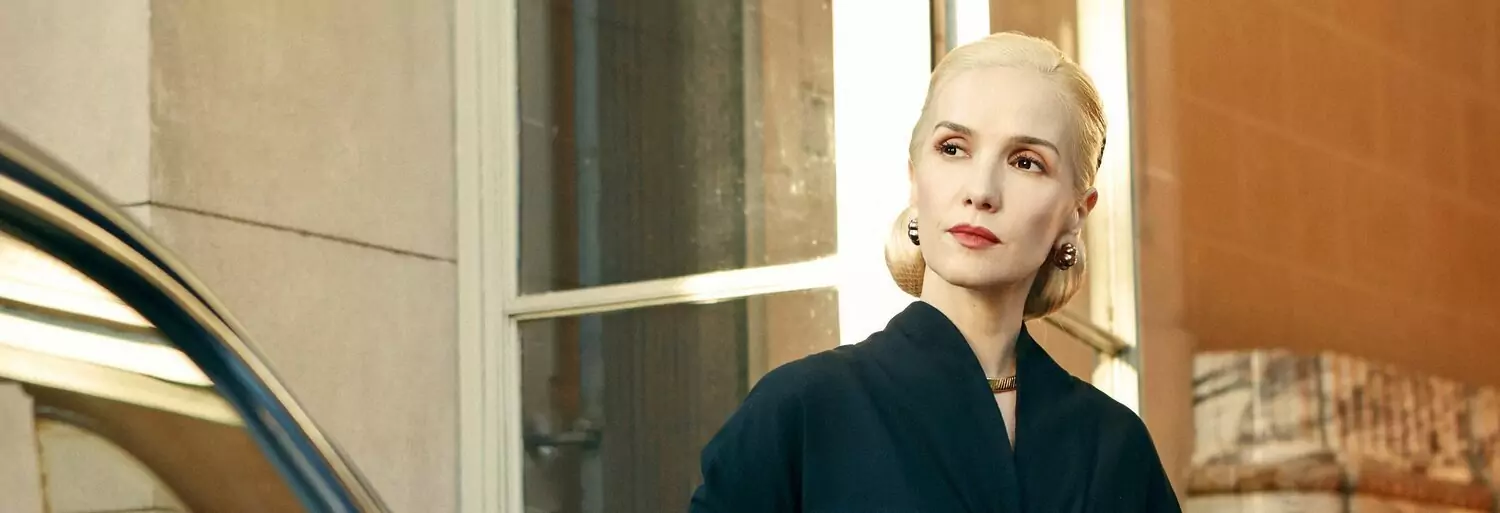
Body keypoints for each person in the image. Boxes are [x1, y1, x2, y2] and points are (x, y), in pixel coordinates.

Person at [688, 32, 1180, 512]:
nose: (980, 191)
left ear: (1076, 212)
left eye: (1026, 162)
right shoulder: (801, 411)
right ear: (914, 177)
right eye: (953, 148)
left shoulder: (1115, 448)